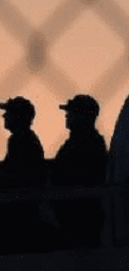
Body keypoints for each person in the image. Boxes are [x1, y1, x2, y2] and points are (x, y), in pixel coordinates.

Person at [51, 94, 107, 248]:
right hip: (70, 211)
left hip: (82, 213)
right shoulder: (76, 141)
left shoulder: (90, 142)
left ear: (84, 117)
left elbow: (91, 176)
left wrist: (61, 171)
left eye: (72, 112)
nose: (68, 116)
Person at [0, 96, 48, 252]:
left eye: (9, 113)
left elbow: (26, 177)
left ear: (20, 117)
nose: (4, 116)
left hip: (21, 211)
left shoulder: (22, 140)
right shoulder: (21, 139)